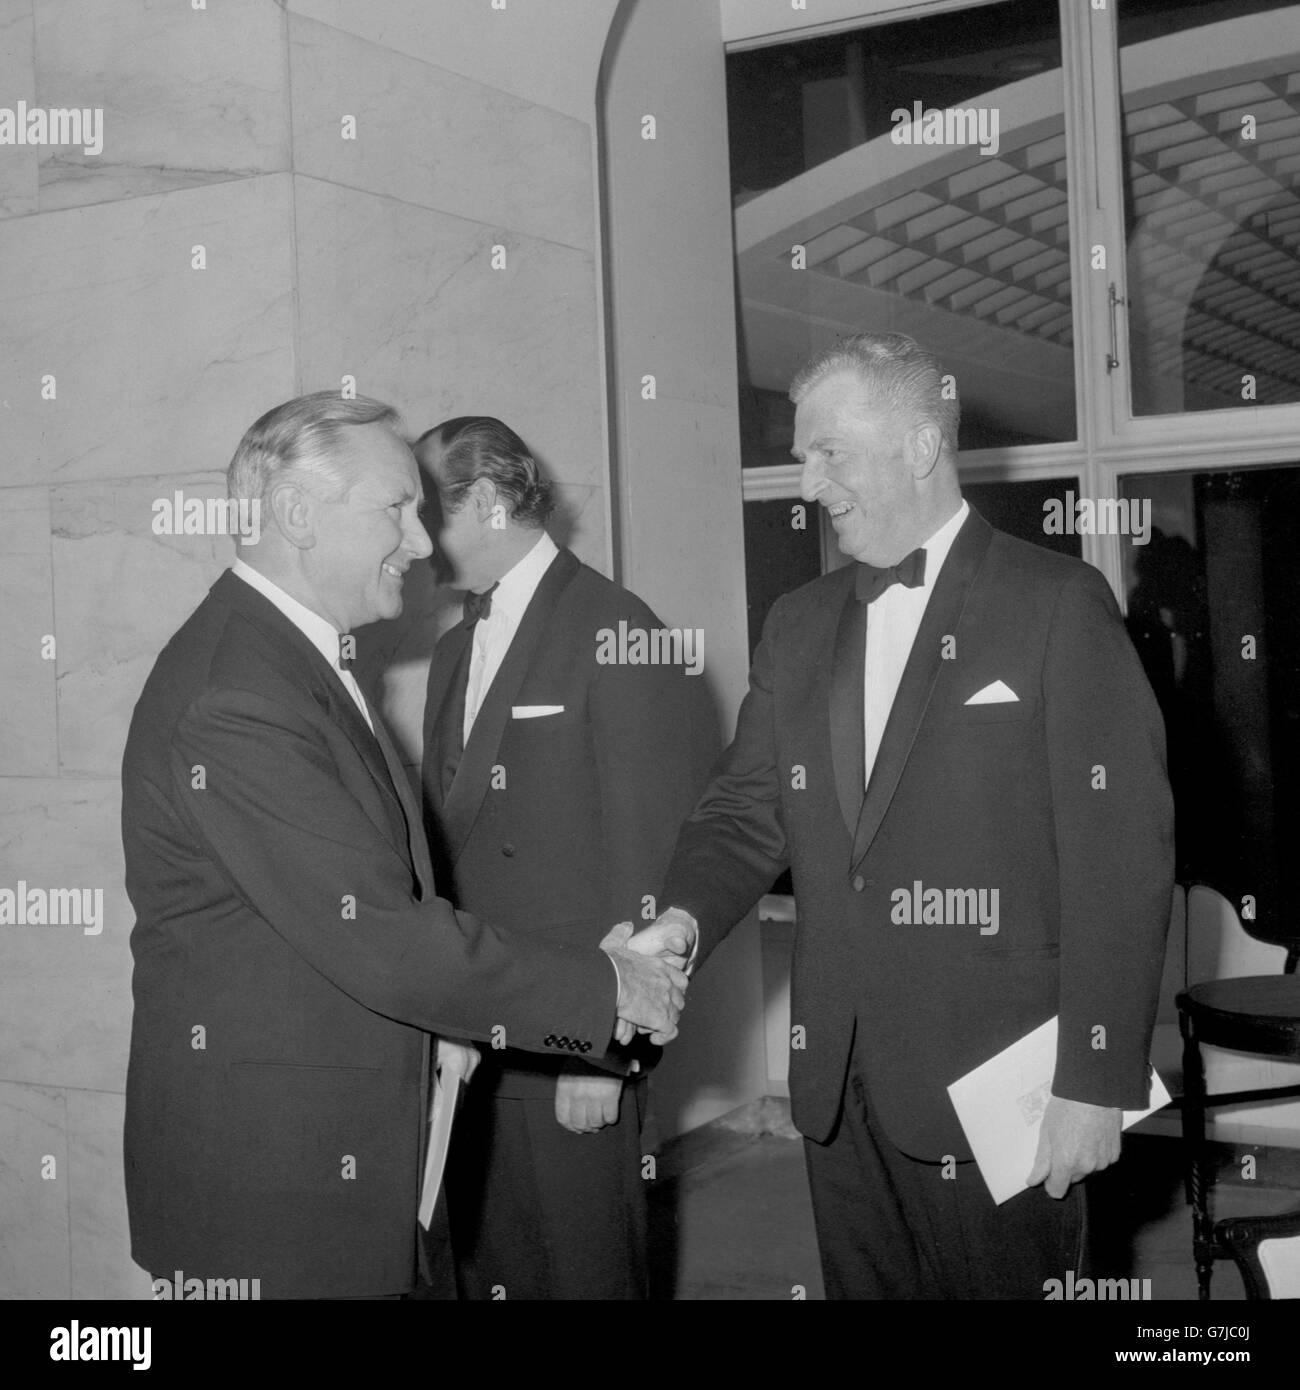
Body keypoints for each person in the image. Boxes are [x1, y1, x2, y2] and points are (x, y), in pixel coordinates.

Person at [634, 333, 1174, 1299]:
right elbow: (742, 811)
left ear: (921, 446)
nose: (807, 482)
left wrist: (1096, 1080)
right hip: (836, 1086)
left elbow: (1120, 859)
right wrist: (676, 920)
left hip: (1001, 1091)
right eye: (803, 455)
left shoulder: (1058, 606)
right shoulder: (796, 624)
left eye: (827, 452)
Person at [121, 392, 686, 1300]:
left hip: (362, 1141)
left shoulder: (299, 661)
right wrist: (608, 987)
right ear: (298, 515)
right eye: (396, 509)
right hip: (280, 1193)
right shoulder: (243, 693)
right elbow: (380, 933)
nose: (423, 544)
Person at [415, 416, 696, 1299]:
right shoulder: (456, 647)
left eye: (426, 513)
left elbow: (653, 862)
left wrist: (604, 1058)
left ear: (490, 503)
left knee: (585, 1275)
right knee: (498, 1270)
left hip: (572, 1034)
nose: (409, 539)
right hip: (478, 1027)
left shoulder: (619, 625)